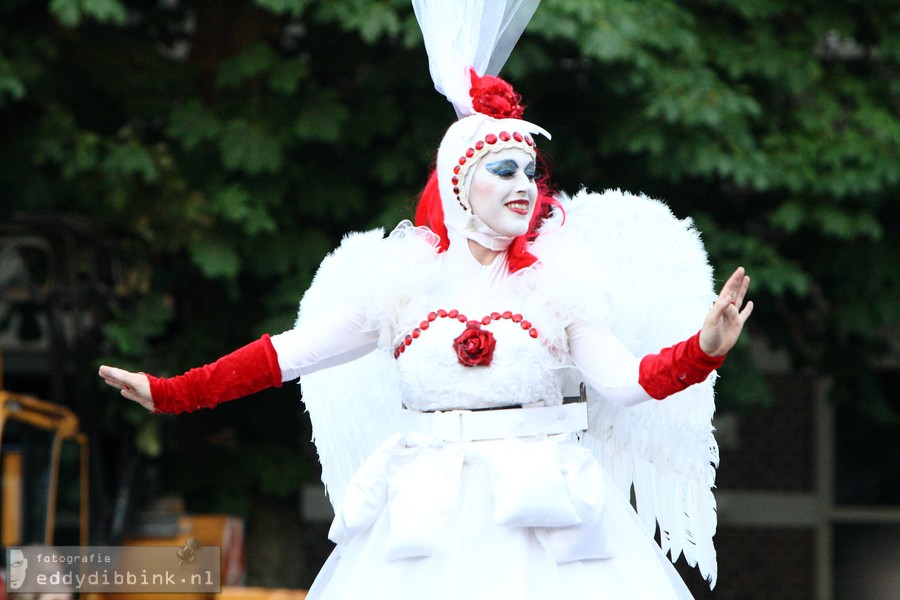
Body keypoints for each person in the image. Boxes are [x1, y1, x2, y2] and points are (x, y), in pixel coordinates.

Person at [100, 2, 752, 598]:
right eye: (504, 170)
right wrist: (172, 392)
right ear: (459, 187)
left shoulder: (560, 290)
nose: (524, 183)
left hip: (544, 524)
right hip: (422, 523)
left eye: (531, 171)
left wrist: (703, 351)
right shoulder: (403, 290)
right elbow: (282, 357)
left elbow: (628, 382)